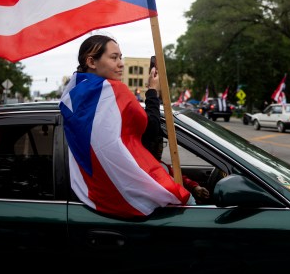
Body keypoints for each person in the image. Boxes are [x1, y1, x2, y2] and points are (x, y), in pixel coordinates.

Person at [60, 35, 191, 218]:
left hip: (91, 192)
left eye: (121, 57)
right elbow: (151, 128)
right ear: (91, 61)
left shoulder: (73, 96)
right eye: (114, 58)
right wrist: (153, 91)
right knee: (188, 202)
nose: (121, 63)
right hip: (124, 191)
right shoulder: (114, 91)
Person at [145, 137, 210, 204]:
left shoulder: (162, 165)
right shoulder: (147, 166)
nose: (160, 148)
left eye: (162, 143)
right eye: (155, 143)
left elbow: (179, 178)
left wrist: (195, 187)